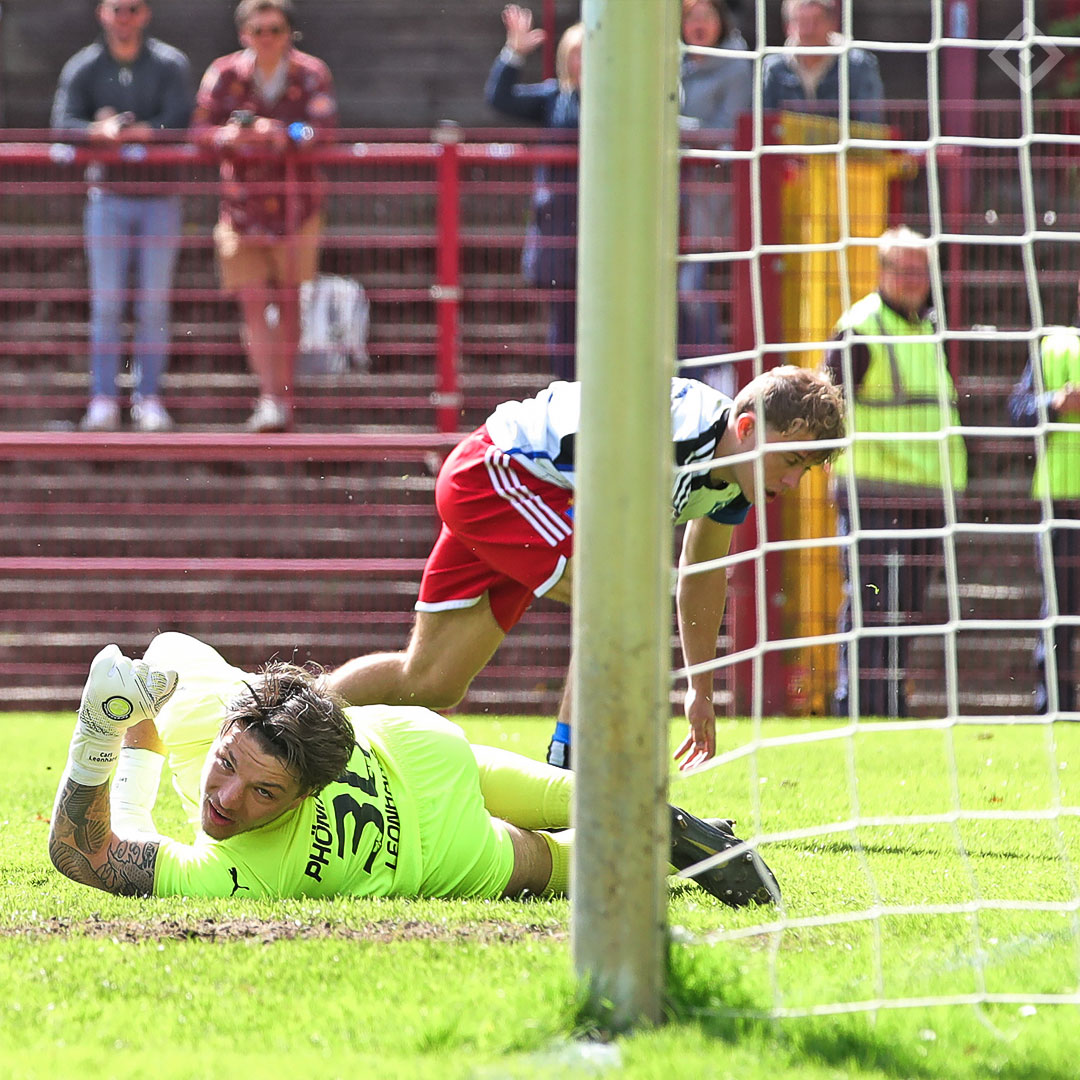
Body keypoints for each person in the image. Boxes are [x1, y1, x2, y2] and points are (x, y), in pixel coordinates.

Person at [328, 367, 845, 770]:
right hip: (497, 476)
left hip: (531, 494)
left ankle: (280, 714)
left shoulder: (737, 476)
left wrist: (700, 690)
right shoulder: (671, 440)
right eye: (792, 461)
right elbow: (617, 578)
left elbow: (702, 573)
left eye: (806, 469)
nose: (795, 483)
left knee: (430, 682)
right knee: (621, 598)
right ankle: (569, 772)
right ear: (748, 428)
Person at [47, 633, 780, 906]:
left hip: (442, 850)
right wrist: (127, 714)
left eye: (266, 791)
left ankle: (660, 852)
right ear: (227, 727)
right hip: (412, 743)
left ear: (308, 794)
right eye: (228, 767)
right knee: (568, 795)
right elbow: (168, 667)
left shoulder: (247, 874)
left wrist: (97, 728)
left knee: (566, 865)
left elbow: (86, 852)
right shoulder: (215, 712)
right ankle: (668, 823)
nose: (227, 799)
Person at [824, 226, 967, 717]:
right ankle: (857, 705)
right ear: (881, 272)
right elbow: (830, 404)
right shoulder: (860, 328)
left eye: (920, 271)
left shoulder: (927, 327)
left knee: (906, 608)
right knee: (872, 603)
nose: (913, 280)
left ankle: (889, 704)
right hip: (874, 493)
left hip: (925, 494)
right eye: (903, 270)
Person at [190, 0, 338, 433]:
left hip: (297, 207)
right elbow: (198, 130)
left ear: (289, 32)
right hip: (241, 208)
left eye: (275, 29)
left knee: (290, 302)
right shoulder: (223, 73)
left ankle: (282, 400)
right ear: (244, 35)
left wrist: (282, 133)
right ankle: (269, 397)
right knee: (253, 304)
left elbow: (322, 129)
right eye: (258, 30)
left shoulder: (312, 72)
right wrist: (229, 135)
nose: (267, 38)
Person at [51, 0, 193, 433]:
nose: (124, 17)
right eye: (117, 9)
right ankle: (103, 400)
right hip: (107, 198)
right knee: (107, 304)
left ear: (145, 14)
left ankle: (149, 398)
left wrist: (141, 132)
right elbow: (61, 124)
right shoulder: (84, 66)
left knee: (153, 305)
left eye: (133, 9)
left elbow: (183, 120)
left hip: (160, 198)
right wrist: (98, 132)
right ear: (102, 14)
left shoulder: (170, 63)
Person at [484, 5, 582, 381]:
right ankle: (569, 394)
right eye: (575, 52)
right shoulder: (554, 98)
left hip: (605, 229)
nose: (582, 61)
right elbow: (500, 98)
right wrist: (514, 52)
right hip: (560, 229)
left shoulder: (623, 105)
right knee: (564, 321)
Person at [1008, 289, 1080, 715]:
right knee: (1060, 612)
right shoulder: (1053, 346)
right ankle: (1052, 708)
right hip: (1063, 504)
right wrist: (1053, 402)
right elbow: (1016, 409)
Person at [678, 0, 752, 396]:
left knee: (694, 288)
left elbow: (728, 129)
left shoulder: (736, 66)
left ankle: (715, 372)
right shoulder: (674, 64)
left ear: (720, 22)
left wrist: (670, 125)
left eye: (705, 16)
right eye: (690, 17)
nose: (698, 24)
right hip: (674, 199)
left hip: (714, 197)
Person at [761, 0, 884, 126]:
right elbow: (763, 125)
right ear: (787, 27)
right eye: (802, 22)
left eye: (817, 21)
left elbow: (870, 125)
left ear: (833, 24)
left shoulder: (859, 66)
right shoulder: (773, 68)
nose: (809, 30)